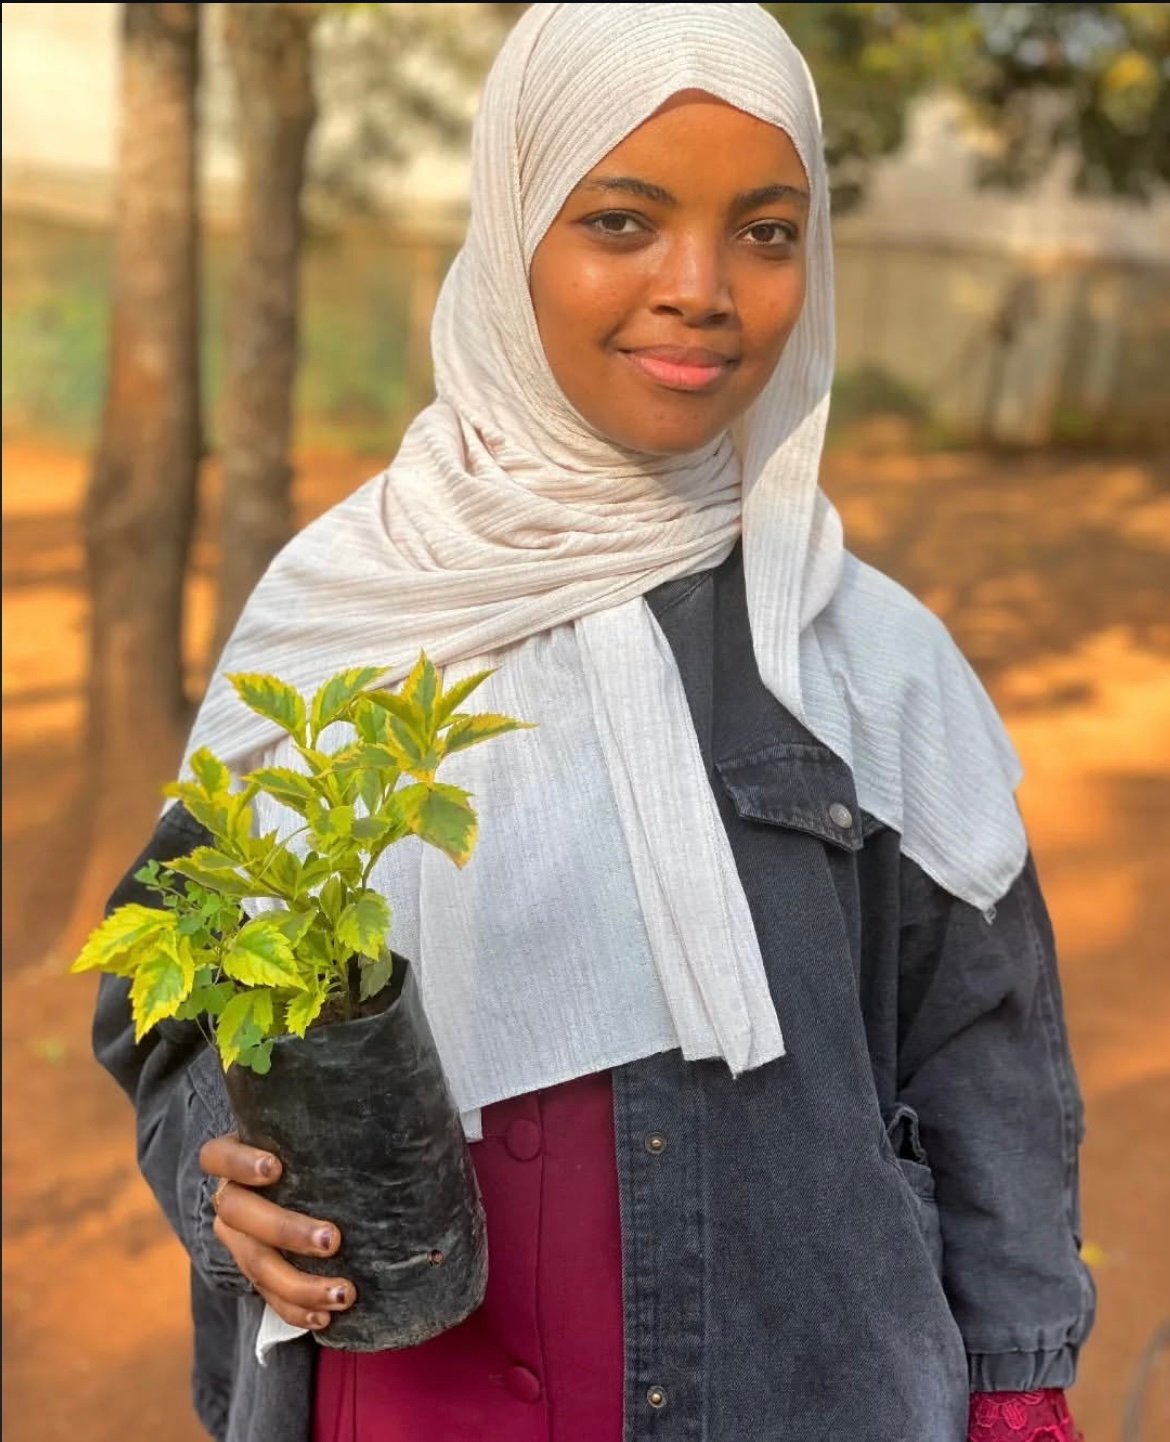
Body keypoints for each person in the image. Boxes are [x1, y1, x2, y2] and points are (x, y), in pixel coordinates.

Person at [92, 5, 1094, 1441]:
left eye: (765, 231)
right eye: (622, 221)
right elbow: (171, 991)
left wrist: (1017, 1380)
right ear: (511, 233)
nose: (701, 288)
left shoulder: (857, 653)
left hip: (797, 1394)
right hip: (407, 1401)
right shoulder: (343, 615)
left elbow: (983, 1048)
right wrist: (231, 1183)